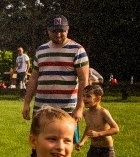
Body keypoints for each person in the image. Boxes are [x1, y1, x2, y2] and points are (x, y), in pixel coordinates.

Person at [22, 15, 90, 143]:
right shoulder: (41, 50)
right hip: (41, 109)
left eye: (61, 31)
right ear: (48, 30)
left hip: (66, 110)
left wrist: (80, 108)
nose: (58, 34)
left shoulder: (78, 50)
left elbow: (83, 80)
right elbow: (34, 79)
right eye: (54, 31)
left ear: (67, 29)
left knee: (63, 150)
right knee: (38, 146)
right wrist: (26, 103)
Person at [76, 84, 129, 157]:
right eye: (83, 96)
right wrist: (82, 142)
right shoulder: (86, 113)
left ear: (98, 98)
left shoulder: (103, 112)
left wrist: (99, 134)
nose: (84, 99)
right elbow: (88, 128)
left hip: (106, 150)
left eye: (88, 96)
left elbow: (116, 129)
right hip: (93, 148)